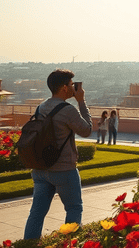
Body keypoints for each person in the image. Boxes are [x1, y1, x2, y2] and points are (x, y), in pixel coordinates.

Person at [24, 69, 93, 240]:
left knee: (37, 213)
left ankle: (28, 244)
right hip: (63, 169)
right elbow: (86, 130)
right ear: (64, 88)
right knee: (74, 208)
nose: (73, 88)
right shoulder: (68, 110)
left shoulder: (41, 107)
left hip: (40, 168)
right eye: (71, 85)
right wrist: (82, 102)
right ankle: (69, 243)